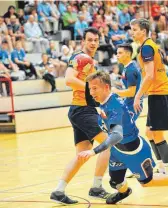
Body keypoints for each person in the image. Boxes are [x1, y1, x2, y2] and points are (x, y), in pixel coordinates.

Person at [78, 71, 168, 204]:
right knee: (115, 182)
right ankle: (125, 192)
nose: (91, 92)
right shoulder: (104, 100)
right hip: (118, 151)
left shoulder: (115, 106)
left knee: (146, 182)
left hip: (134, 151)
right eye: (90, 89)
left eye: (94, 88)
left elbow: (117, 135)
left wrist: (93, 151)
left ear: (106, 87)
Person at [50, 28, 110, 205]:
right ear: (83, 41)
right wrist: (91, 90)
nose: (93, 43)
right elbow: (69, 80)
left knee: (82, 155)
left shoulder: (83, 58)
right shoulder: (83, 58)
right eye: (89, 40)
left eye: (96, 40)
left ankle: (59, 190)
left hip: (80, 110)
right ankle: (97, 188)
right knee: (108, 145)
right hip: (83, 111)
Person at [130, 18, 168, 175]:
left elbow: (149, 76)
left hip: (160, 93)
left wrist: (137, 96)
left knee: (157, 134)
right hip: (157, 94)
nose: (132, 32)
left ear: (143, 31)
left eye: (135, 29)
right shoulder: (150, 46)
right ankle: (161, 167)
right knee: (149, 132)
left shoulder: (147, 48)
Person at [112, 43, 142, 121]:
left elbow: (131, 92)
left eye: (120, 53)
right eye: (117, 53)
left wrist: (116, 91)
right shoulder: (126, 68)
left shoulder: (131, 70)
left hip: (134, 105)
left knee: (125, 129)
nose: (117, 55)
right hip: (129, 102)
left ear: (128, 54)